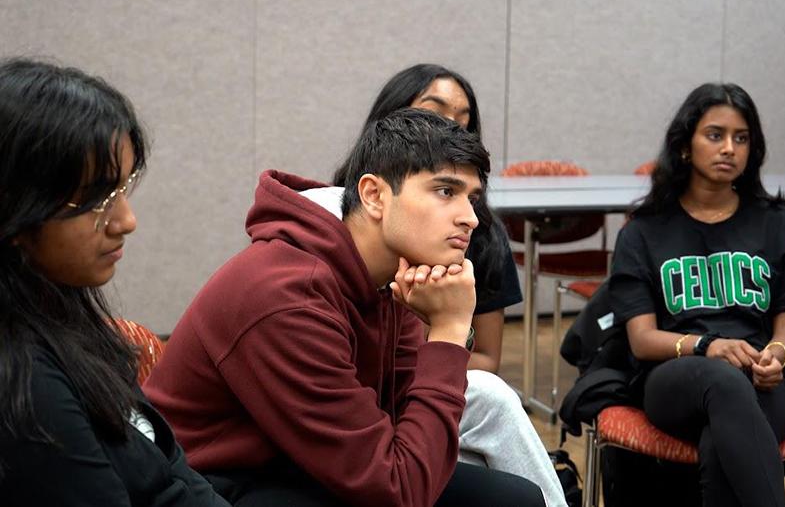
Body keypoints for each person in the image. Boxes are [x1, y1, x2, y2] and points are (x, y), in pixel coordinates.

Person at [144, 109, 546, 506]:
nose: (470, 218)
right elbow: (398, 490)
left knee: (518, 498)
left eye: (471, 197)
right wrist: (448, 332)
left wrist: (446, 332)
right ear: (374, 195)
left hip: (305, 462)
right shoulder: (288, 296)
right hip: (212, 485)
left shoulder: (390, 273)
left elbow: (403, 421)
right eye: (445, 192)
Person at [331, 64, 566, 507]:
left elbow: (482, 360)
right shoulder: (334, 245)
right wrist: (444, 328)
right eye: (433, 113)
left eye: (463, 120)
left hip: (408, 394)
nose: (449, 128)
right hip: (331, 441)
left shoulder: (476, 234)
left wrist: (445, 326)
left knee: (492, 412)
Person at [0, 58, 230, 506]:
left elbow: (174, 468)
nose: (126, 221)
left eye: (123, 190)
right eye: (97, 199)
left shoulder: (65, 317)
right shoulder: (25, 384)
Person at [609, 82, 785, 507]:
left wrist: (777, 355)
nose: (729, 148)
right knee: (722, 381)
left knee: (723, 443)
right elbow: (642, 339)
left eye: (741, 138)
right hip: (677, 372)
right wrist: (708, 346)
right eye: (715, 135)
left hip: (766, 379)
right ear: (684, 146)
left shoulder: (778, 224)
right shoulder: (645, 230)